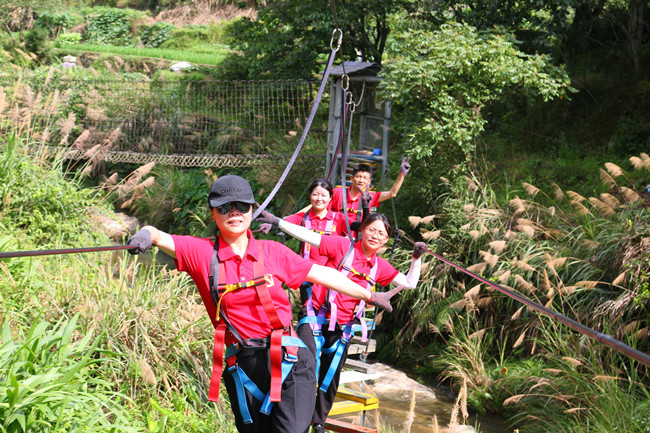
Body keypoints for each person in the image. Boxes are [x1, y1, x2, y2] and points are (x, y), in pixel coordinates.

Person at [125, 175, 401, 433]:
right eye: (225, 207)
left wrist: (368, 295)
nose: (234, 213)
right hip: (243, 364)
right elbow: (158, 235)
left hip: (290, 358)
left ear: (252, 210)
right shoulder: (201, 253)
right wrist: (145, 235)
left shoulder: (273, 251)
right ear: (213, 213)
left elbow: (323, 274)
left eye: (242, 206)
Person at [259, 210, 425, 433]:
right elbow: (310, 237)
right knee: (303, 367)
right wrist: (278, 222)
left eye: (381, 233)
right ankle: (291, 418)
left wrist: (416, 259)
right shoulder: (342, 246)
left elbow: (409, 283)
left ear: (386, 240)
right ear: (362, 230)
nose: (375, 236)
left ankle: (318, 423)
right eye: (371, 230)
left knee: (330, 377)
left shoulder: (380, 267)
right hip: (315, 317)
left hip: (342, 328)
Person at [260, 177, 371, 303]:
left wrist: (366, 207)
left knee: (328, 311)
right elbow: (283, 223)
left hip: (332, 277)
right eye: (315, 194)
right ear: (310, 196)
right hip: (308, 275)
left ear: (330, 198)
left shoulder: (339, 219)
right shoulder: (302, 218)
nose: (319, 199)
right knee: (308, 311)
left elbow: (363, 227)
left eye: (323, 195)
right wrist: (271, 225)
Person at [329, 157, 411, 224]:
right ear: (352, 178)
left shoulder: (369, 197)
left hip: (358, 235)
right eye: (358, 177)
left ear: (369, 182)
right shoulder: (337, 192)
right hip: (336, 234)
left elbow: (392, 193)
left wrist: (402, 174)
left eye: (365, 178)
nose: (361, 180)